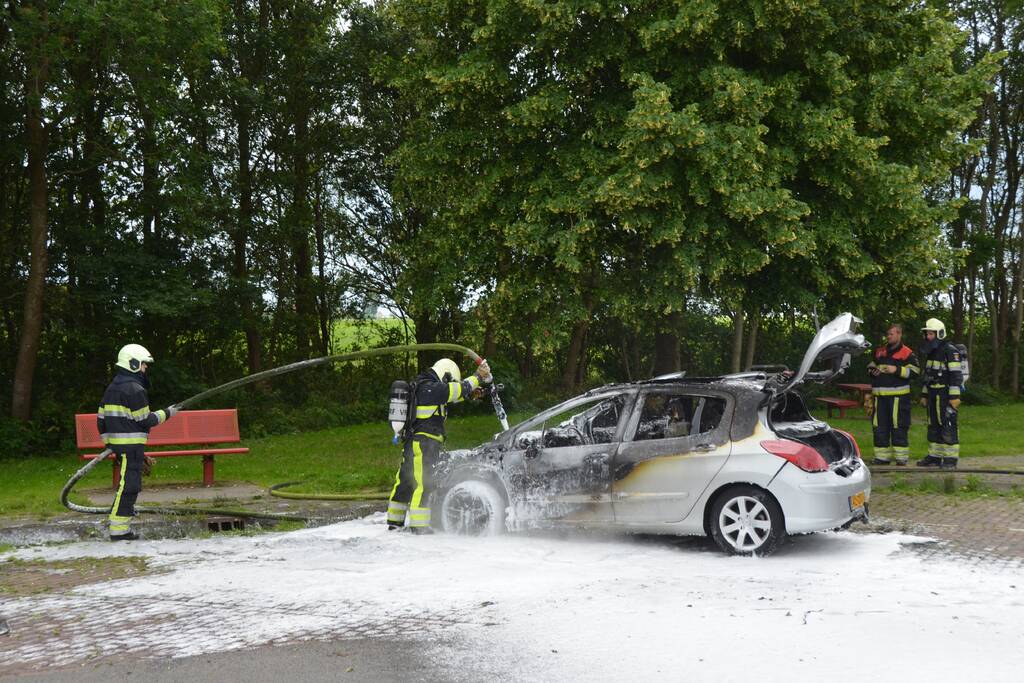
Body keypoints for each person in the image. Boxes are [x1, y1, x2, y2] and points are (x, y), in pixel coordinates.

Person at [386, 357, 491, 533]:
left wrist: (471, 394)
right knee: (423, 482)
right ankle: (419, 526)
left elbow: (453, 395)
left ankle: (394, 522)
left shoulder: (426, 387)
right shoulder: (430, 387)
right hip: (424, 443)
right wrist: (478, 376)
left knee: (405, 481)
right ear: (445, 374)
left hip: (415, 443)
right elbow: (454, 390)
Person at [97, 344, 177, 540]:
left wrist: (110, 445)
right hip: (131, 448)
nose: (146, 367)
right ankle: (119, 531)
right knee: (129, 487)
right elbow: (145, 419)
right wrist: (167, 413)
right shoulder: (135, 390)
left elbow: (101, 420)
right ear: (132, 364)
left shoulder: (112, 388)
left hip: (122, 447)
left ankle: (119, 525)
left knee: (128, 485)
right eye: (143, 364)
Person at [867, 323, 919, 465]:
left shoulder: (907, 353)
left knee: (899, 426)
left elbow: (915, 372)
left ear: (899, 334)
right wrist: (872, 371)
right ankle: (882, 458)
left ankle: (901, 458)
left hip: (899, 398)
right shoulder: (879, 351)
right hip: (879, 398)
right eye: (887, 334)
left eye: (891, 334)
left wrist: (896, 370)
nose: (888, 336)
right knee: (879, 427)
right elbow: (870, 365)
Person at [917, 318, 963, 468]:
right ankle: (934, 456)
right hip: (932, 394)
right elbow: (928, 376)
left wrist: (954, 397)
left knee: (947, 424)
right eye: (927, 334)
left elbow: (956, 376)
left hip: (945, 394)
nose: (928, 337)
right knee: (933, 425)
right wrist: (924, 394)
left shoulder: (950, 351)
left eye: (931, 334)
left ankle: (950, 459)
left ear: (940, 334)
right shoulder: (931, 352)